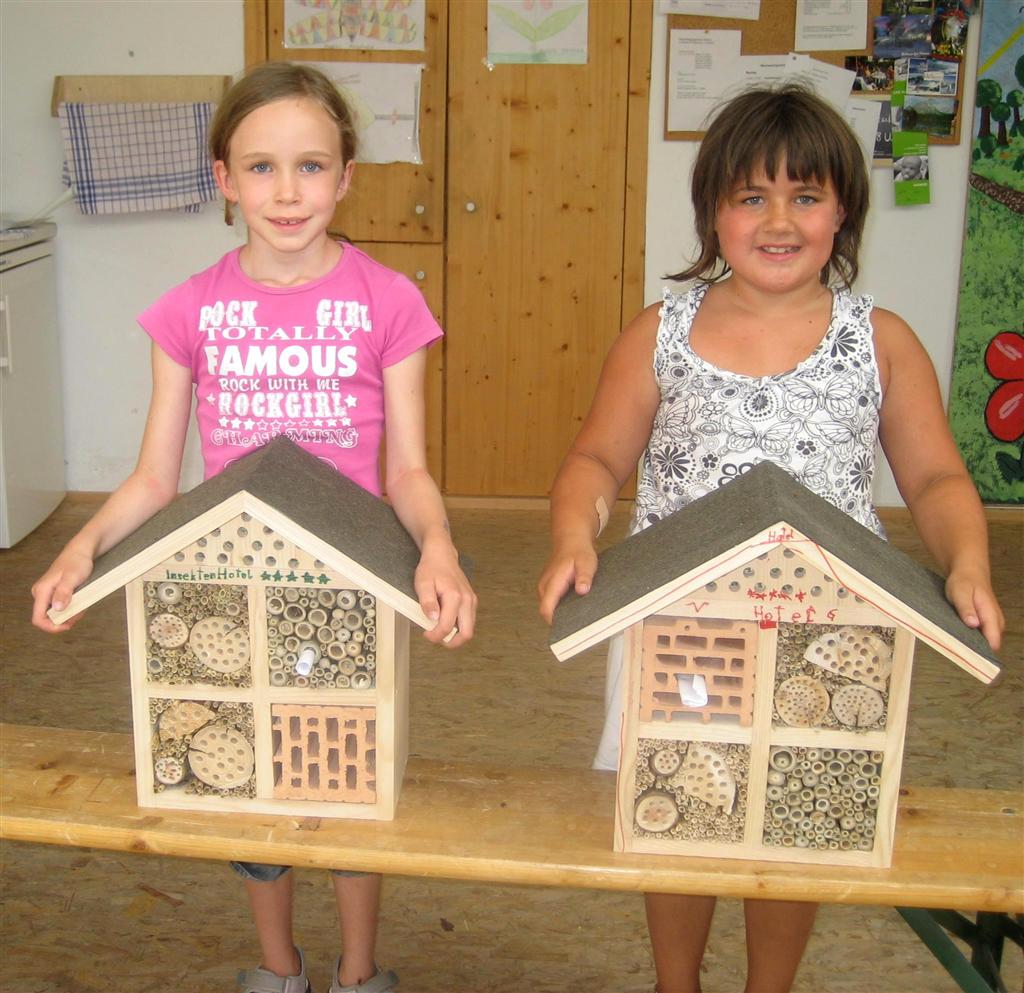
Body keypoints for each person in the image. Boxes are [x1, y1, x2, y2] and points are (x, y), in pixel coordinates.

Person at [538, 84, 1003, 993]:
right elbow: (596, 458)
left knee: (798, 810)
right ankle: (677, 982)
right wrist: (571, 534)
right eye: (752, 196)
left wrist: (968, 560)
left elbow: (937, 480)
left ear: (843, 211)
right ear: (713, 211)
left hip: (827, 631)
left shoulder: (881, 340)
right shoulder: (661, 332)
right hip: (684, 628)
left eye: (806, 195)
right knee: (678, 800)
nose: (779, 220)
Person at [32, 62, 477, 993]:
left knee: (349, 778)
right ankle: (279, 967)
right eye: (261, 167)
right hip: (229, 587)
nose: (287, 192)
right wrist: (81, 547)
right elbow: (155, 477)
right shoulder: (188, 309)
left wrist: (438, 548)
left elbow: (408, 468)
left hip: (345, 588)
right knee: (246, 772)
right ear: (224, 179)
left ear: (346, 176)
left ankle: (358, 970)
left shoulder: (387, 300)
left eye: (311, 166)